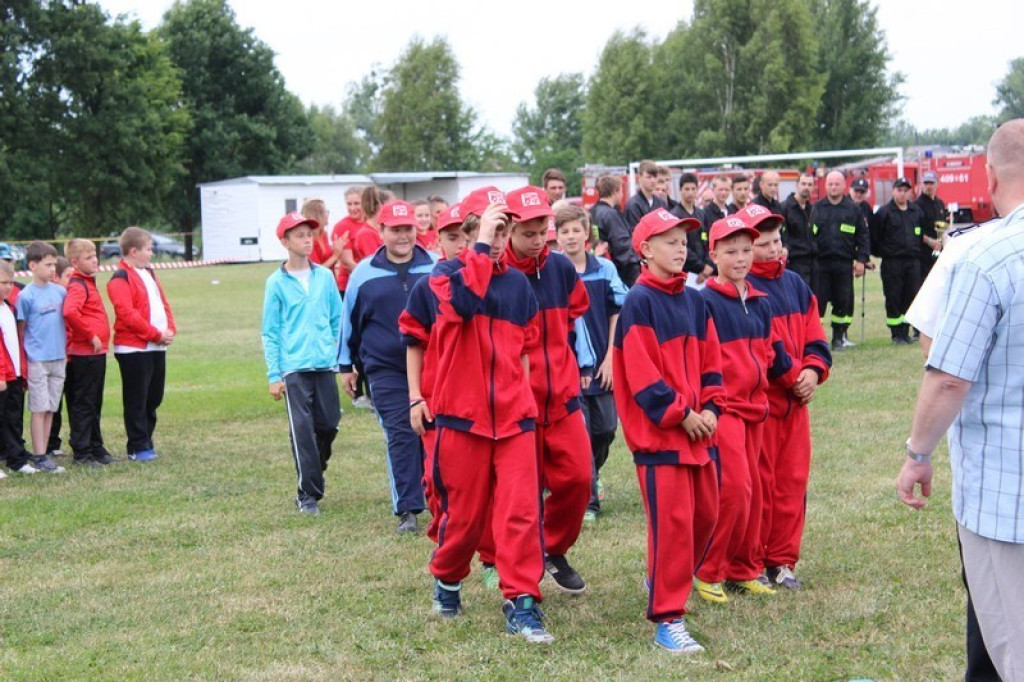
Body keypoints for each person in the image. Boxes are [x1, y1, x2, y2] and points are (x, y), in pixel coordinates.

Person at [897, 118, 1024, 681]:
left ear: (990, 176)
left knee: (1008, 649)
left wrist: (917, 453)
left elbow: (948, 374)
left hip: (1006, 494)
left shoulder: (986, 256)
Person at [423, 188, 554, 644]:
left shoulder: (519, 285)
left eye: (505, 229)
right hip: (462, 421)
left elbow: (528, 347)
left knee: (521, 513)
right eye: (491, 228)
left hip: (514, 421)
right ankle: (447, 576)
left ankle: (522, 602)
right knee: (464, 520)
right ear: (470, 230)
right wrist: (479, 247)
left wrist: (525, 404)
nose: (499, 238)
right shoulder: (444, 276)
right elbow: (461, 305)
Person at [613, 208, 724, 653]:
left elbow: (713, 361)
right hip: (662, 438)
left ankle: (662, 574)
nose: (681, 249)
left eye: (684, 241)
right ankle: (668, 619)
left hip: (700, 432)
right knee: (674, 526)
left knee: (708, 516)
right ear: (644, 250)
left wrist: (713, 406)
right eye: (670, 241)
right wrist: (682, 414)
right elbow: (642, 377)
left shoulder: (695, 300)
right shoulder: (639, 302)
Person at [694, 213, 797, 604]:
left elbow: (773, 353)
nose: (740, 258)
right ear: (713, 254)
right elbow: (701, 360)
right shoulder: (703, 302)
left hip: (759, 409)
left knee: (754, 494)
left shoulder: (759, 301)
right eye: (730, 251)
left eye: (745, 250)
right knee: (733, 491)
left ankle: (743, 569)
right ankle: (709, 571)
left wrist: (799, 379)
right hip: (726, 411)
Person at [504, 185, 593, 595]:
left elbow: (574, 316)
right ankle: (515, 571)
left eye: (544, 231)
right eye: (529, 233)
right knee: (520, 497)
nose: (538, 240)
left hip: (563, 398)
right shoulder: (498, 276)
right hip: (517, 406)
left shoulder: (560, 269)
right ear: (507, 231)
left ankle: (553, 549)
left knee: (577, 480)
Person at [744, 204, 832, 590]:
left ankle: (781, 561)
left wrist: (813, 371)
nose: (772, 250)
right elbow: (763, 349)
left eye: (776, 242)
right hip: (762, 406)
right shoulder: (743, 288)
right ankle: (752, 560)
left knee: (792, 483)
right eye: (761, 244)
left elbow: (816, 337)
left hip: (795, 406)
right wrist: (795, 375)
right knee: (759, 485)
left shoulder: (796, 285)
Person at [339, 200, 438, 534]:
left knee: (437, 433)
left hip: (433, 366)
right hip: (384, 368)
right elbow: (348, 325)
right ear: (381, 232)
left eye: (407, 229)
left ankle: (440, 499)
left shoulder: (435, 267)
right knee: (401, 432)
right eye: (395, 230)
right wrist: (347, 366)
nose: (402, 236)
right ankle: (408, 510)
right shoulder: (363, 274)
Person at [262, 211, 342, 515]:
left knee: (329, 424)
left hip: (324, 364)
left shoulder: (324, 276)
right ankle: (307, 494)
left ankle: (314, 469)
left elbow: (337, 318)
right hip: (294, 367)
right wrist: (274, 374)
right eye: (299, 235)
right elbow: (270, 331)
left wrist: (336, 352)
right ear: (285, 242)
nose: (307, 240)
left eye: (310, 234)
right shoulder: (276, 283)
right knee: (302, 430)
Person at [399, 201, 469, 543]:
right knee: (436, 478)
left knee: (475, 484)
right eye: (452, 237)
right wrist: (415, 397)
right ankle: (445, 543)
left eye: (466, 236)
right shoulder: (427, 287)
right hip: (436, 402)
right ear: (438, 238)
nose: (461, 245)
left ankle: (487, 556)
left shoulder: (488, 284)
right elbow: (415, 343)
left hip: (473, 403)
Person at [555, 204, 627, 522]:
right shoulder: (554, 270)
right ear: (556, 237)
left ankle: (592, 474)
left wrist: (611, 357)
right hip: (568, 366)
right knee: (580, 432)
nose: (571, 236)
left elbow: (617, 311)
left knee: (606, 428)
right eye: (564, 231)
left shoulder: (604, 269)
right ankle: (589, 501)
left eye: (576, 230)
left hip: (602, 363)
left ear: (587, 233)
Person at [107, 226, 176, 462]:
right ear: (133, 251)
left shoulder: (150, 273)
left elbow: (162, 303)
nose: (152, 254)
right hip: (134, 348)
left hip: (156, 346)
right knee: (137, 398)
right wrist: (154, 334)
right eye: (149, 249)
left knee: (154, 397)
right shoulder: (120, 278)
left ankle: (147, 437)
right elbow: (127, 314)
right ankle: (137, 445)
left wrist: (169, 329)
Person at [15, 241, 67, 473]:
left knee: (51, 408)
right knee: (39, 407)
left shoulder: (60, 291)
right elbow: (21, 329)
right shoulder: (26, 296)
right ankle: (38, 454)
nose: (52, 269)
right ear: (33, 266)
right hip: (38, 359)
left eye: (54, 264)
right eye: (47, 264)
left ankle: (44, 452)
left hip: (59, 357)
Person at [63, 238, 114, 467]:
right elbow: (70, 312)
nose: (94, 260)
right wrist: (91, 335)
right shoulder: (77, 285)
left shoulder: (88, 282)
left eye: (95, 256)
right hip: (85, 354)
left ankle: (96, 446)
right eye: (88, 258)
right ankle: (82, 452)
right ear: (74, 262)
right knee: (84, 402)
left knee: (95, 401)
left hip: (96, 353)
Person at [809, 171, 870, 351]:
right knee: (818, 304)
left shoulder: (854, 210)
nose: (833, 187)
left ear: (844, 186)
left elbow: (863, 237)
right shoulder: (816, 208)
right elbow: (809, 235)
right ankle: (816, 340)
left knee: (842, 302)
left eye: (837, 184)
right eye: (830, 184)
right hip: (820, 264)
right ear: (825, 186)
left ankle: (838, 338)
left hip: (844, 264)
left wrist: (861, 260)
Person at [869, 177, 924, 345]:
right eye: (899, 190)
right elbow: (874, 237)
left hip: (912, 262)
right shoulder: (884, 213)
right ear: (893, 191)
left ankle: (906, 332)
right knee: (894, 297)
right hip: (892, 262)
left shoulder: (916, 212)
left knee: (910, 297)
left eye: (905, 190)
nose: (902, 193)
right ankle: (896, 334)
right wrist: (884, 253)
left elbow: (919, 235)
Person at [0, 260, 38, 475]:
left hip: (14, 374)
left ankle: (17, 459)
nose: (8, 287)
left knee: (14, 418)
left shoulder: (10, 308)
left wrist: (21, 372)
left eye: (11, 282)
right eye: (3, 282)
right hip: (1, 375)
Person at [590, 174, 640, 287]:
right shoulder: (611, 215)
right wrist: (636, 272)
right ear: (615, 191)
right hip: (618, 273)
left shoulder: (591, 212)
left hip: (598, 267)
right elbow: (623, 246)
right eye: (621, 190)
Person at [671, 172, 713, 287]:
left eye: (693, 189)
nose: (690, 193)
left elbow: (707, 239)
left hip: (705, 272)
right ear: (680, 190)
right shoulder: (675, 215)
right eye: (687, 189)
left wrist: (708, 265)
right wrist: (701, 267)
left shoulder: (701, 214)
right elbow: (680, 245)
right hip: (685, 271)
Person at [781, 173, 817, 291]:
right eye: (803, 183)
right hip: (794, 263)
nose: (806, 187)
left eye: (810, 184)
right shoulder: (785, 208)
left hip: (812, 263)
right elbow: (782, 236)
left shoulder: (813, 210)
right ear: (797, 185)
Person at [330, 186, 367, 299]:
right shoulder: (342, 226)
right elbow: (347, 262)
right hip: (350, 284)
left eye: (356, 203)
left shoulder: (371, 223)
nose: (352, 208)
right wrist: (370, 275)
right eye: (349, 204)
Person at [913, 170, 947, 283]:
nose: (929, 186)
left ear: (937, 184)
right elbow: (914, 230)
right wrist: (929, 241)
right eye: (926, 183)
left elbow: (941, 226)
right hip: (923, 253)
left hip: (938, 252)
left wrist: (942, 241)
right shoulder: (917, 205)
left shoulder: (940, 204)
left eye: (931, 183)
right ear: (921, 184)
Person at [624, 159, 667, 230]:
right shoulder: (633, 205)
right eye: (649, 177)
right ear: (639, 177)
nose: (653, 180)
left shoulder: (661, 203)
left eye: (655, 177)